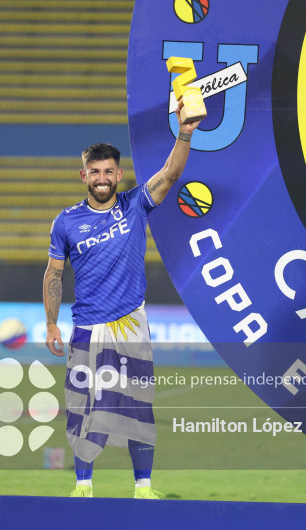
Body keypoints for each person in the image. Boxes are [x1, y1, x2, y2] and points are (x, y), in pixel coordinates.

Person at [43, 102, 200, 499]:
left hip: (132, 323)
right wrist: (50, 322)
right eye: (94, 172)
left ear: (119, 174)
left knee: (137, 407)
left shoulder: (135, 205)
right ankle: (83, 485)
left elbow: (171, 174)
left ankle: (143, 487)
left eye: (108, 171)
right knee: (82, 407)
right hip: (87, 327)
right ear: (84, 175)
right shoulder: (65, 222)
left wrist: (185, 132)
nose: (101, 178)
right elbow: (54, 274)